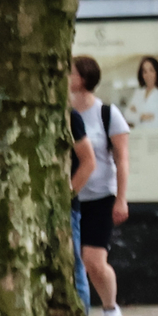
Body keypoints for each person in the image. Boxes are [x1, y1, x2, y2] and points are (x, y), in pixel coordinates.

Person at [71, 55, 130, 316]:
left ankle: (110, 310)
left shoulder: (107, 114)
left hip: (100, 197)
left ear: (82, 79)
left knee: (93, 261)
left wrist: (121, 199)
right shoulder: (63, 113)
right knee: (73, 263)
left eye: (70, 72)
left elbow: (121, 159)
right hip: (71, 200)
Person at [68, 101, 95, 305]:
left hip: (68, 209)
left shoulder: (71, 117)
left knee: (76, 269)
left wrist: (68, 194)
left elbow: (88, 161)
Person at [126, 55, 158, 130]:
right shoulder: (138, 92)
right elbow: (127, 114)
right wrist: (142, 117)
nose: (148, 75)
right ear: (142, 74)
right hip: (139, 137)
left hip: (154, 137)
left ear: (157, 72)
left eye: (151, 70)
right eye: (145, 71)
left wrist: (136, 114)